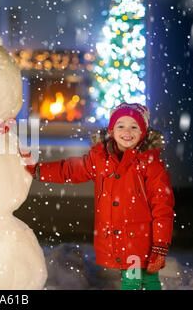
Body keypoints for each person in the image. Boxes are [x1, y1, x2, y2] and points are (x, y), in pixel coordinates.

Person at [29, 102, 175, 290]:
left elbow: (163, 207)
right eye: (120, 126)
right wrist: (40, 171)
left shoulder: (151, 165)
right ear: (112, 131)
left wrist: (160, 243)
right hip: (125, 238)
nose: (127, 131)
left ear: (143, 132)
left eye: (134, 126)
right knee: (135, 279)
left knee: (141, 281)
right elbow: (71, 170)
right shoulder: (101, 159)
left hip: (142, 238)